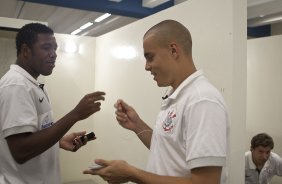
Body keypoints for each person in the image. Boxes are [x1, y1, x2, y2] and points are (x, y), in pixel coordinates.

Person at [83, 19, 229, 184]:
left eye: (150, 57)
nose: (146, 66)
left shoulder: (201, 100)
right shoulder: (176, 95)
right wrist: (137, 125)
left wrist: (132, 174)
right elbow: (168, 151)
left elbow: (206, 182)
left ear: (174, 51)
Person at [0, 23, 105, 184]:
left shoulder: (32, 84)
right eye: (46, 48)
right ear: (26, 51)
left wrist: (58, 142)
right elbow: (21, 151)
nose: (54, 54)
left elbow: (34, 135)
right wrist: (75, 115)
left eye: (55, 48)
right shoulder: (16, 85)